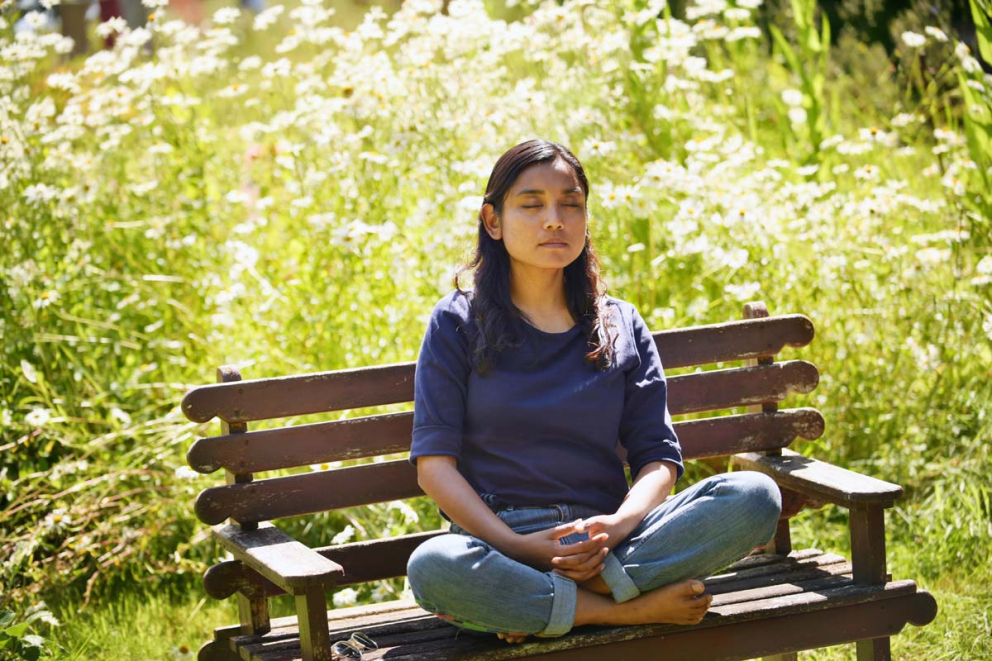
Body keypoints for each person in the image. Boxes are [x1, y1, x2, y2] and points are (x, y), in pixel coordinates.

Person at [405, 139, 782, 643]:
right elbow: (434, 467)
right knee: (433, 565)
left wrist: (620, 525)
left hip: (610, 540)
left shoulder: (619, 322)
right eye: (532, 204)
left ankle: (539, 607)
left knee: (755, 496)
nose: (555, 219)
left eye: (571, 203)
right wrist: (522, 548)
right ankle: (625, 608)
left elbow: (658, 459)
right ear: (493, 222)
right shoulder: (456, 322)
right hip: (502, 544)